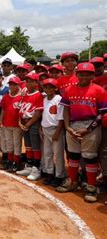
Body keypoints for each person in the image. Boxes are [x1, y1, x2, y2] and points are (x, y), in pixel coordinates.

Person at [56, 62, 106, 203]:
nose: (84, 76)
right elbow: (65, 109)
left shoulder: (98, 90)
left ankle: (91, 187)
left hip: (91, 126)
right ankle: (73, 181)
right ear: (77, 74)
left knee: (90, 157)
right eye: (81, 74)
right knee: (73, 156)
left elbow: (101, 114)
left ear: (92, 75)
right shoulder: (69, 90)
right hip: (72, 125)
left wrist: (88, 129)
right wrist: (67, 127)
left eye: (88, 74)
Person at [17, 72, 44, 181]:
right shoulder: (25, 95)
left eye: (31, 81)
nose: (28, 83)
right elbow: (20, 109)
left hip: (32, 122)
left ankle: (36, 168)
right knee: (27, 145)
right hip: (24, 122)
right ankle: (28, 166)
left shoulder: (38, 95)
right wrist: (20, 121)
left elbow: (38, 112)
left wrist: (28, 124)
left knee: (35, 146)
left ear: (36, 83)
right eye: (27, 81)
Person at [40, 78, 66, 187]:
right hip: (46, 128)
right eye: (46, 87)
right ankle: (49, 173)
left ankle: (59, 175)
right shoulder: (44, 99)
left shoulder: (59, 98)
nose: (48, 89)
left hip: (56, 129)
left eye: (51, 87)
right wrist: (41, 128)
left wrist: (58, 131)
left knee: (58, 154)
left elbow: (61, 118)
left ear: (56, 88)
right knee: (47, 153)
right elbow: (44, 114)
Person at [0, 77, 23, 172]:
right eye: (11, 84)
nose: (12, 86)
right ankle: (10, 160)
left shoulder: (21, 97)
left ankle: (16, 162)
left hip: (16, 125)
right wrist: (1, 121)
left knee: (16, 144)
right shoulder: (6, 96)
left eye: (14, 84)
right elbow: (3, 109)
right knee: (9, 143)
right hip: (6, 124)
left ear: (18, 85)